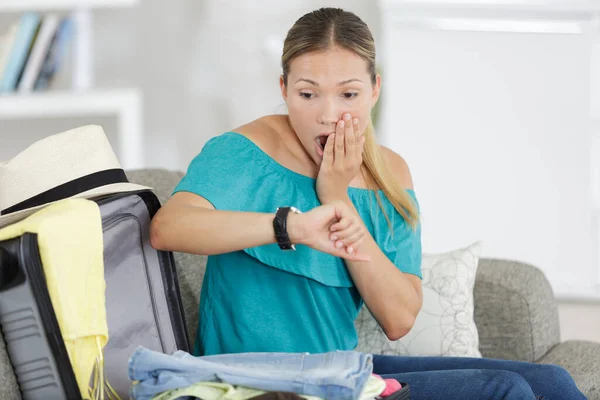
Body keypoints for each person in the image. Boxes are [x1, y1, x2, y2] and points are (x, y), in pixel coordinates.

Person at [149, 7, 587, 400]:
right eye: (307, 93)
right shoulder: (244, 150)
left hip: (339, 374)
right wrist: (290, 227)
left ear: (375, 89)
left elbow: (398, 317)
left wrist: (336, 198)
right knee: (504, 392)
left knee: (552, 382)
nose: (328, 114)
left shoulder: (389, 174)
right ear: (283, 88)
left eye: (349, 94)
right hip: (258, 381)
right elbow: (168, 228)